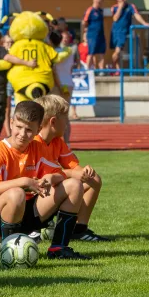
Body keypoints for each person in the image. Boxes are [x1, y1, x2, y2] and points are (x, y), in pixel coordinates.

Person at [0, 100, 90, 260]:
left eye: (29, 130)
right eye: (19, 127)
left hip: (27, 211)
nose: (22, 134)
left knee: (74, 185)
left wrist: (51, 177)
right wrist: (25, 182)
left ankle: (58, 249)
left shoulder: (38, 148)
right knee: (16, 194)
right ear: (11, 123)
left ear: (38, 130)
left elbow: (61, 174)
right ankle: (8, 250)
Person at [34, 95, 109, 242]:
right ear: (53, 122)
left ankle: (79, 229)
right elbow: (42, 175)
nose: (68, 123)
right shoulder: (34, 143)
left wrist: (84, 172)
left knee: (93, 179)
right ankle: (33, 229)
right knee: (73, 184)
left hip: (52, 192)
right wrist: (72, 174)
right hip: (35, 198)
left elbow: (73, 167)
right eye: (65, 119)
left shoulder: (57, 142)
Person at [110, 0, 149, 74]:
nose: (118, 0)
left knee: (118, 51)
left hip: (123, 32)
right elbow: (115, 19)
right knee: (117, 53)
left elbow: (136, 15)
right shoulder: (114, 7)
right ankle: (116, 69)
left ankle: (112, 67)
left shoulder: (131, 6)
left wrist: (144, 23)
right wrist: (120, 8)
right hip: (114, 32)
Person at [53, 32, 77, 143]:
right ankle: (66, 143)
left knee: (53, 115)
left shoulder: (52, 53)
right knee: (65, 116)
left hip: (57, 85)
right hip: (68, 83)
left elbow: (54, 70)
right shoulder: (70, 52)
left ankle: (55, 142)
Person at [82, 0, 106, 72]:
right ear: (97, 1)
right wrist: (87, 31)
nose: (102, 3)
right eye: (101, 1)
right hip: (92, 35)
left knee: (101, 53)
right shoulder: (90, 10)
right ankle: (87, 70)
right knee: (91, 53)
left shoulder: (101, 11)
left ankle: (101, 71)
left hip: (101, 35)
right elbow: (84, 22)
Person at [2, 35, 14, 138]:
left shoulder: (16, 53)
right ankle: (9, 133)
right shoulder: (2, 54)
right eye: (8, 42)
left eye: (11, 42)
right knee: (7, 109)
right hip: (7, 83)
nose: (10, 44)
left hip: (17, 81)